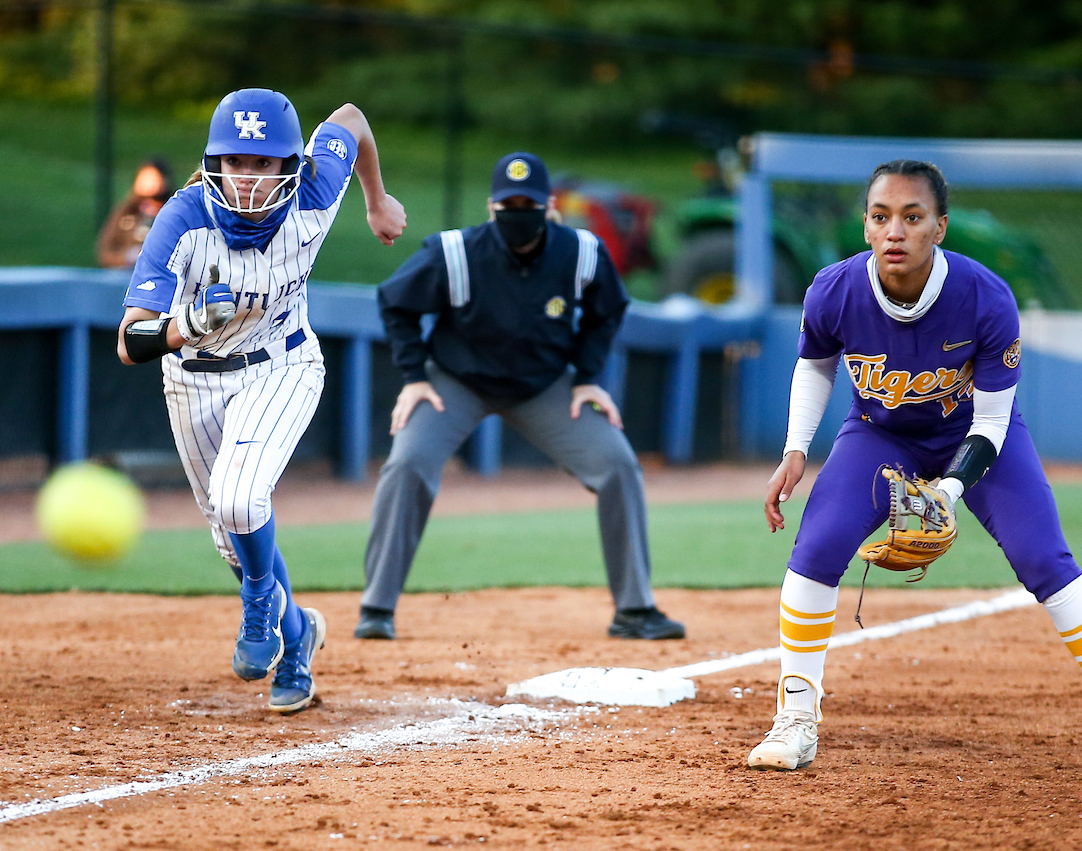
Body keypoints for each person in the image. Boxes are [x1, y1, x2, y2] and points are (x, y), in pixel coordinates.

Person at [746, 159, 1082, 781]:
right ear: (865, 227)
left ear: (939, 227)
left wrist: (947, 490)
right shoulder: (834, 290)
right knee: (815, 551)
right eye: (881, 216)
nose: (895, 231)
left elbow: (993, 423)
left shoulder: (985, 297)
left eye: (912, 217)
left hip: (972, 436)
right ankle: (795, 718)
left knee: (1044, 559)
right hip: (879, 434)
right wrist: (793, 449)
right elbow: (816, 365)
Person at [116, 88, 407, 713]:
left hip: (284, 365)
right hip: (193, 377)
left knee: (240, 498)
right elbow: (130, 340)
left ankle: (258, 612)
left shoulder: (316, 193)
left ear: (291, 167)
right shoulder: (182, 217)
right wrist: (186, 325)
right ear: (215, 163)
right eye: (235, 163)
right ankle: (298, 636)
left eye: (263, 163)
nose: (247, 179)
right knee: (233, 532)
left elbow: (352, 119)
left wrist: (376, 201)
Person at [356, 152, 684, 642]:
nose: (518, 212)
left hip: (543, 385)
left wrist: (588, 376)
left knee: (617, 464)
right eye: (508, 203)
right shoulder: (454, 252)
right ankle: (376, 607)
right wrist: (413, 375)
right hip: (456, 380)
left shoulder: (582, 252)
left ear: (550, 207)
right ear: (491, 208)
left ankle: (635, 610)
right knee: (407, 464)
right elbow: (394, 301)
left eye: (528, 203)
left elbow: (608, 308)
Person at [96, 158, 176, 268]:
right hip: (123, 275)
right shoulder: (125, 212)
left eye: (154, 178)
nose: (149, 183)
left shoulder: (172, 212)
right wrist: (127, 257)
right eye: (145, 178)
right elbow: (105, 251)